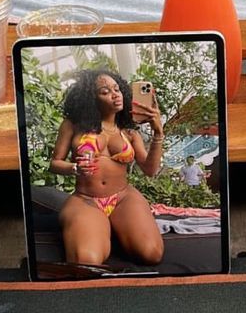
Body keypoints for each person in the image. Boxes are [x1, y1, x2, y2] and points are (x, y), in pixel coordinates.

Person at [50, 68, 165, 267]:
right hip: (86, 199)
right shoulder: (72, 126)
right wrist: (74, 168)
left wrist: (158, 133)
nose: (115, 94)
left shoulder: (129, 132)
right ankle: (100, 228)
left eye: (117, 89)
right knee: (86, 262)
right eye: (105, 91)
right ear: (90, 98)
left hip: (123, 197)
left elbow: (150, 170)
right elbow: (55, 163)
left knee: (152, 254)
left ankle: (113, 228)